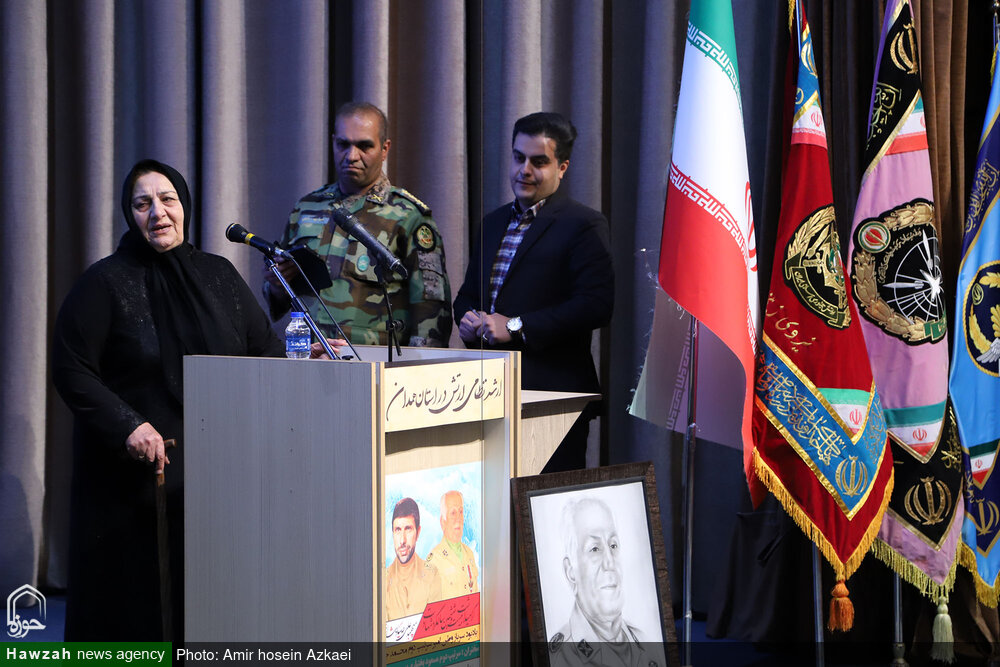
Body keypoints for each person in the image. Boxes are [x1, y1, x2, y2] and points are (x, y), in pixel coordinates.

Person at [52, 159, 346, 641]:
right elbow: (71, 369)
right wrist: (128, 425)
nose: (158, 213)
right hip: (134, 479)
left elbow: (263, 352)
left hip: (218, 475)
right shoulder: (104, 283)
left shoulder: (219, 275)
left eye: (167, 199)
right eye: (143, 203)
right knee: (140, 613)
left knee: (209, 604)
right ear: (129, 213)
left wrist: (303, 357)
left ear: (184, 205)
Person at [453, 111, 614, 471]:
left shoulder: (584, 224)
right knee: (492, 500)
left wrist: (514, 326)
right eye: (518, 157)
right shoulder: (493, 222)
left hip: (553, 399)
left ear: (562, 167)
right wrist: (467, 319)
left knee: (545, 502)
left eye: (538, 162)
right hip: (487, 393)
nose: (524, 170)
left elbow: (596, 305)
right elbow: (468, 295)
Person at [265, 101, 452, 347]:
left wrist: (416, 367)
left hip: (374, 361)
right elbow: (279, 296)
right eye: (343, 144)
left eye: (364, 146)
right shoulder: (307, 207)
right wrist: (277, 285)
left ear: (384, 149)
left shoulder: (409, 216)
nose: (352, 156)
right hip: (311, 356)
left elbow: (432, 309)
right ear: (333, 142)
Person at [548, 498, 650, 667]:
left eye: (613, 545)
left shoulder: (644, 640)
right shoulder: (561, 658)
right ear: (571, 571)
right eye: (594, 549)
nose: (610, 562)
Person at [384, 497, 441, 621]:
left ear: (418, 532)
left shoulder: (431, 575)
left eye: (408, 529)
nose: (402, 540)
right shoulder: (383, 581)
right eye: (398, 530)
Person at [425, 491, 479, 599]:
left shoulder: (469, 554)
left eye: (461, 512)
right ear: (443, 522)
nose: (458, 518)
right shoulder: (434, 560)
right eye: (453, 513)